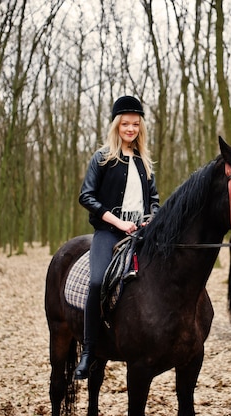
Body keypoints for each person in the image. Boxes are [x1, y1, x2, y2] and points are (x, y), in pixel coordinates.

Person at [75, 96, 160, 379]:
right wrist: (119, 223)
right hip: (109, 232)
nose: (131, 128)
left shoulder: (144, 162)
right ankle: (88, 351)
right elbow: (85, 196)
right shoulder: (102, 157)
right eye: (125, 123)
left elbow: (155, 201)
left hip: (141, 234)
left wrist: (149, 218)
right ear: (116, 125)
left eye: (136, 124)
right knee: (98, 281)